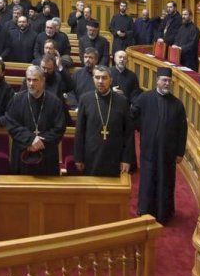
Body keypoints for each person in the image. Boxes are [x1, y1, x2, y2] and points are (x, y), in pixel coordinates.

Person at [133, 67, 187, 223]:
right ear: (157, 81)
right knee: (148, 180)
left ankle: (164, 214)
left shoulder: (177, 104)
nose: (167, 83)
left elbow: (182, 130)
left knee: (165, 181)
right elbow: (133, 115)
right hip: (149, 150)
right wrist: (144, 128)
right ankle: (145, 210)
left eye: (169, 81)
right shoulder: (145, 98)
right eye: (164, 80)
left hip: (167, 153)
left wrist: (180, 152)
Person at [4, 63, 67, 176]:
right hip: (22, 154)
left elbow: (59, 128)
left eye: (35, 80)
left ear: (43, 81)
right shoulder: (17, 100)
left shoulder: (55, 102)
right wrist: (30, 140)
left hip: (47, 156)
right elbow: (11, 124)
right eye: (28, 80)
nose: (31, 83)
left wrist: (40, 142)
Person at [74, 67, 134, 177]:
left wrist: (126, 159)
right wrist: (79, 157)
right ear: (93, 79)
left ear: (111, 80)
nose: (100, 81)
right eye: (97, 77)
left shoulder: (122, 101)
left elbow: (129, 133)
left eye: (104, 78)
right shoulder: (85, 99)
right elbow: (80, 131)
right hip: (91, 155)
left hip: (115, 156)